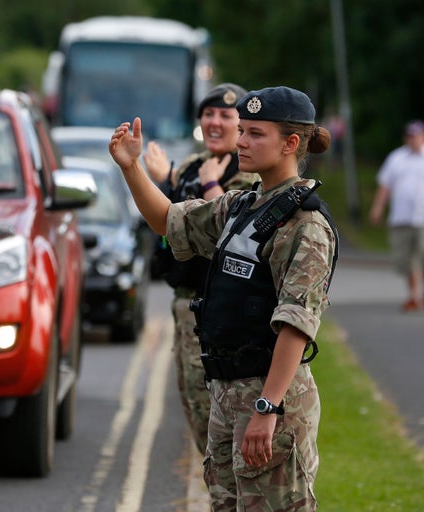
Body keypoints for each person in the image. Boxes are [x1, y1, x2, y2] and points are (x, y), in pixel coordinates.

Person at [109, 86, 338, 511]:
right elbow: (167, 220)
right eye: (243, 131)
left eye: (254, 134)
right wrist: (131, 168)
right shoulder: (241, 206)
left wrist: (267, 407)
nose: (240, 142)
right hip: (228, 392)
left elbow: (296, 324)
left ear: (291, 143)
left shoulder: (305, 224)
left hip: (272, 400)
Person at [143, 82, 260, 456]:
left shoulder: (249, 172)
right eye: (208, 114)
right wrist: (165, 179)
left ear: (241, 124)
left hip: (217, 311)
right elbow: (170, 215)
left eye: (226, 116)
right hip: (183, 303)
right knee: (194, 409)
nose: (215, 122)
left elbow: (237, 231)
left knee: (216, 419)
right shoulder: (192, 166)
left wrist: (211, 182)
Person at [369, 120, 424, 312]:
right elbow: (385, 186)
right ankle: (414, 295)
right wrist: (378, 207)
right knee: (405, 258)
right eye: (410, 136)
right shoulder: (397, 158)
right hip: (401, 216)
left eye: (416, 135)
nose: (413, 139)